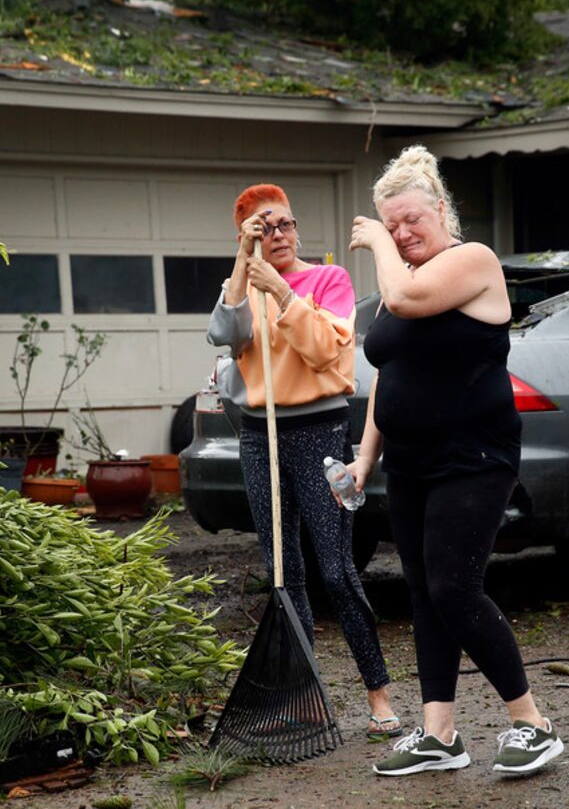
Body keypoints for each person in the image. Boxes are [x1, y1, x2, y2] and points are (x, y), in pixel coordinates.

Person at [347, 146, 564, 777]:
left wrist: (382, 248)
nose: (403, 234)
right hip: (410, 461)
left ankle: (533, 723)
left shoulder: (472, 262)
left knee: (453, 587)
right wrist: (365, 459)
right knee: (423, 594)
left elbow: (412, 299)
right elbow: (389, 376)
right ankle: (439, 734)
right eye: (392, 226)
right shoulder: (398, 286)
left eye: (411, 220)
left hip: (475, 457)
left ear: (442, 209)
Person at [207, 182, 400, 739]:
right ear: (247, 236)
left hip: (319, 433)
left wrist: (285, 296)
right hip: (258, 437)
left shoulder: (328, 281)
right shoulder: (240, 286)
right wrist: (245, 271)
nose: (280, 235)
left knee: (337, 569)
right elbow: (225, 334)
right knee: (284, 574)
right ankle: (306, 699)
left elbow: (327, 350)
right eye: (264, 227)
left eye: (286, 223)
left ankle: (379, 694)